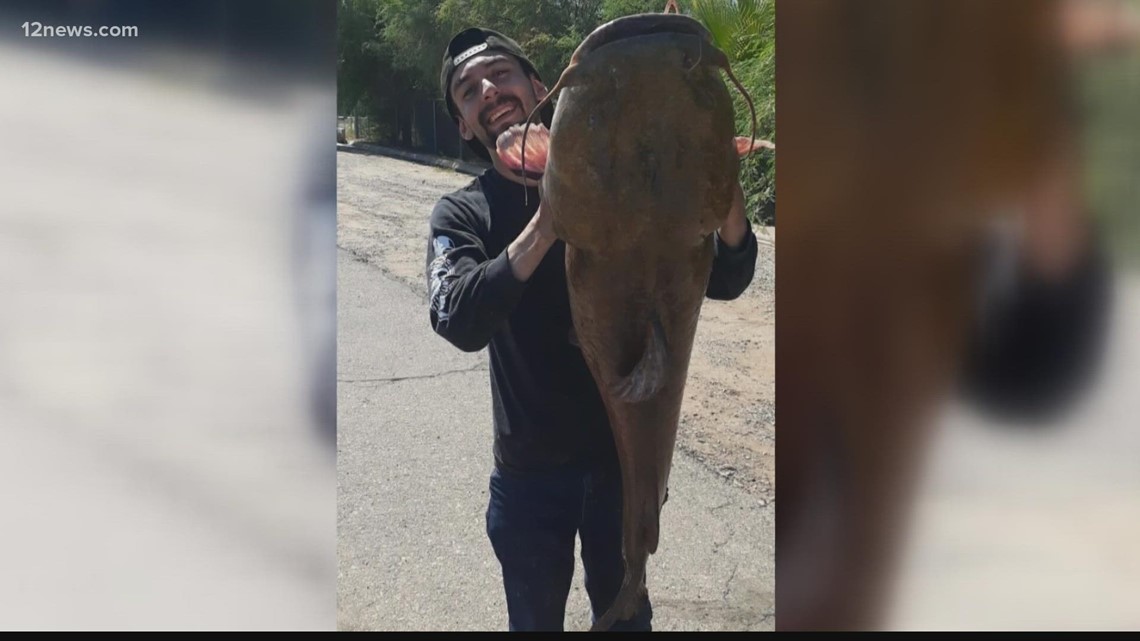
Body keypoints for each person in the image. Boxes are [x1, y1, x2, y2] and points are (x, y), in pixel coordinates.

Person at [425, 27, 760, 632]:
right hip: (530, 475)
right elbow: (456, 316)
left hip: (620, 462)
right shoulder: (463, 213)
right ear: (462, 123)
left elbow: (727, 277)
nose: (488, 90)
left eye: (500, 74)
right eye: (468, 90)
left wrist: (723, 187)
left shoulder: (624, 170)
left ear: (538, 86)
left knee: (629, 615)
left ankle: (631, 589)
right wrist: (552, 219)